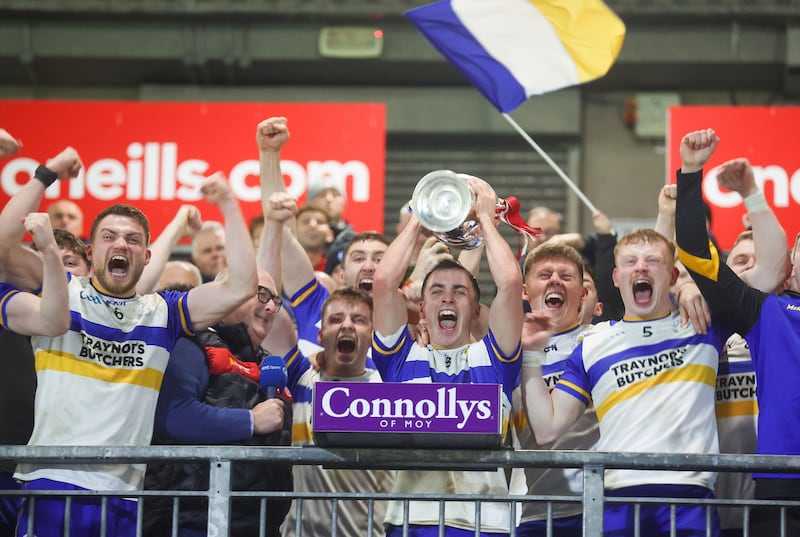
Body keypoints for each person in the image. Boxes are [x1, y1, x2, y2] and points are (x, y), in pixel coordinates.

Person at [0, 146, 258, 537]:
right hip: (51, 481)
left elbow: (241, 285)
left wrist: (227, 202)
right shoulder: (62, 292)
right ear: (92, 250)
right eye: (110, 237)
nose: (121, 244)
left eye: (133, 239)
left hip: (124, 495)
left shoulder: (164, 312)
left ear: (146, 255)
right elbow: (2, 248)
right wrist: (45, 175)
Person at [521, 227, 733, 537]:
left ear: (672, 276)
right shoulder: (594, 343)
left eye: (653, 261)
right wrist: (531, 356)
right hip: (616, 500)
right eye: (631, 261)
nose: (642, 268)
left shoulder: (701, 323)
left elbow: (765, 276)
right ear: (617, 277)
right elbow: (547, 428)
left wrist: (692, 286)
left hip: (689, 494)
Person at [372, 176, 522, 536]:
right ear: (422, 308)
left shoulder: (495, 357)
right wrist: (419, 220)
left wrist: (486, 218)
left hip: (487, 523)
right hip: (413, 519)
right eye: (437, 291)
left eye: (460, 292)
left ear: (474, 309)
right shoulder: (400, 357)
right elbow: (383, 283)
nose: (448, 299)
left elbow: (511, 284)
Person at [675, 128, 799, 537]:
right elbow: (697, 256)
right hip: (782, 486)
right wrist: (691, 172)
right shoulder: (768, 312)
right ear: (789, 265)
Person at [145, 268, 292, 537]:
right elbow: (174, 415)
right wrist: (250, 421)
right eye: (261, 294)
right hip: (193, 523)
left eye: (275, 300)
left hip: (260, 525)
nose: (271, 307)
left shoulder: (270, 365)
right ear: (226, 292)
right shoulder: (191, 344)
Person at [513, 242, 600, 537]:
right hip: (538, 511)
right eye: (544, 274)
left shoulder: (603, 340)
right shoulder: (508, 353)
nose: (554, 281)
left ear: (583, 292)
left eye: (566, 276)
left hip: (601, 507)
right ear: (525, 291)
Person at [0, 213, 71, 537]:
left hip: (49, 470)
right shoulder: (10, 304)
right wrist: (45, 175)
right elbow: (3, 244)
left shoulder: (83, 319)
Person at [295, 205, 333, 272]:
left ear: (329, 235)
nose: (313, 225)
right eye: (306, 221)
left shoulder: (336, 269)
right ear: (294, 232)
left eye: (320, 222)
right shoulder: (281, 267)